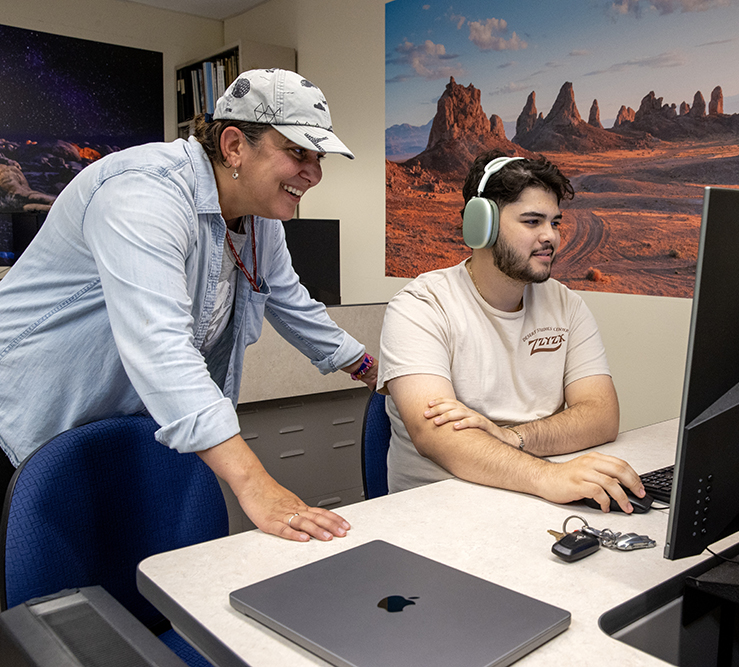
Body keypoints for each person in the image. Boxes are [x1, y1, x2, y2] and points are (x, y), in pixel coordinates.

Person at [0, 69, 375, 542]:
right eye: (297, 152)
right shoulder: (144, 192)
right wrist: (257, 485)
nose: (315, 173)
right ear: (234, 145)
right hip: (20, 423)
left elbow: (293, 305)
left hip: (114, 425)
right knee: (34, 595)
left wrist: (372, 371)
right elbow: (161, 347)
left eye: (318, 157)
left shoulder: (259, 223)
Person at [377, 150, 645, 512]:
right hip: (439, 513)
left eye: (555, 222)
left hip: (534, 498)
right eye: (532, 221)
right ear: (480, 225)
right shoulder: (421, 306)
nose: (550, 237)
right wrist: (548, 476)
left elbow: (601, 415)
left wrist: (510, 437)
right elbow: (437, 436)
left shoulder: (566, 305)